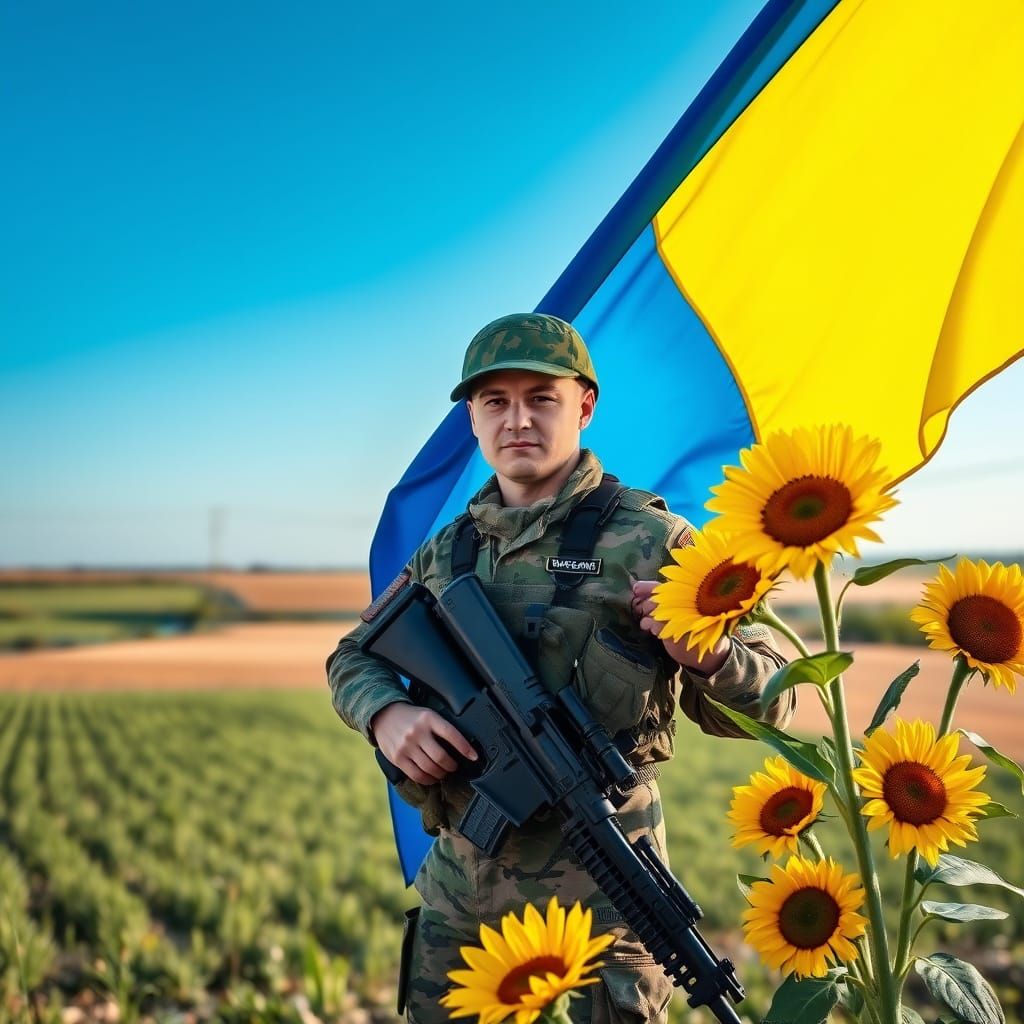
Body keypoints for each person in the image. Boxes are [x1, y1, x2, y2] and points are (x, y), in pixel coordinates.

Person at [326, 313, 795, 1024]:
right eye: (495, 402)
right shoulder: (445, 551)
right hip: (463, 903)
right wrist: (387, 714)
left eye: (541, 398)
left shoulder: (655, 539)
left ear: (583, 406)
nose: (518, 420)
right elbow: (352, 655)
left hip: (610, 905)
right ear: (474, 421)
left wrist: (711, 655)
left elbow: (776, 703)